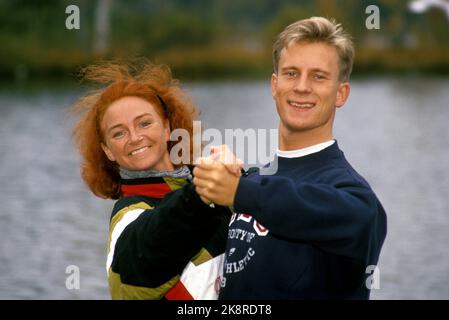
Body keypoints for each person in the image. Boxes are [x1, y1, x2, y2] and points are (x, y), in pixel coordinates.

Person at [193, 17, 387, 299]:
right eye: (291, 73)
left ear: (341, 94)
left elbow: (356, 216)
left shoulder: (352, 195)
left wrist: (238, 190)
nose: (302, 87)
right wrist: (207, 176)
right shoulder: (253, 181)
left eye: (319, 76)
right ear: (275, 85)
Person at [72, 60, 232, 300]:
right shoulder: (127, 219)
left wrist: (240, 182)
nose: (135, 137)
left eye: (145, 123)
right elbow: (158, 241)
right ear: (108, 151)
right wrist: (205, 186)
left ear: (167, 128)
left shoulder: (213, 193)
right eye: (119, 132)